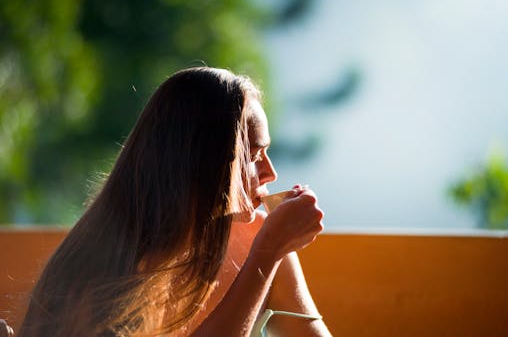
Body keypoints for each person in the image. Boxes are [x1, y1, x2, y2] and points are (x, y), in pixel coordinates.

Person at [19, 67, 331, 336]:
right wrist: (267, 253)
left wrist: (270, 248)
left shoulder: (260, 237)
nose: (270, 173)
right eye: (254, 155)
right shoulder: (104, 260)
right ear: (204, 160)